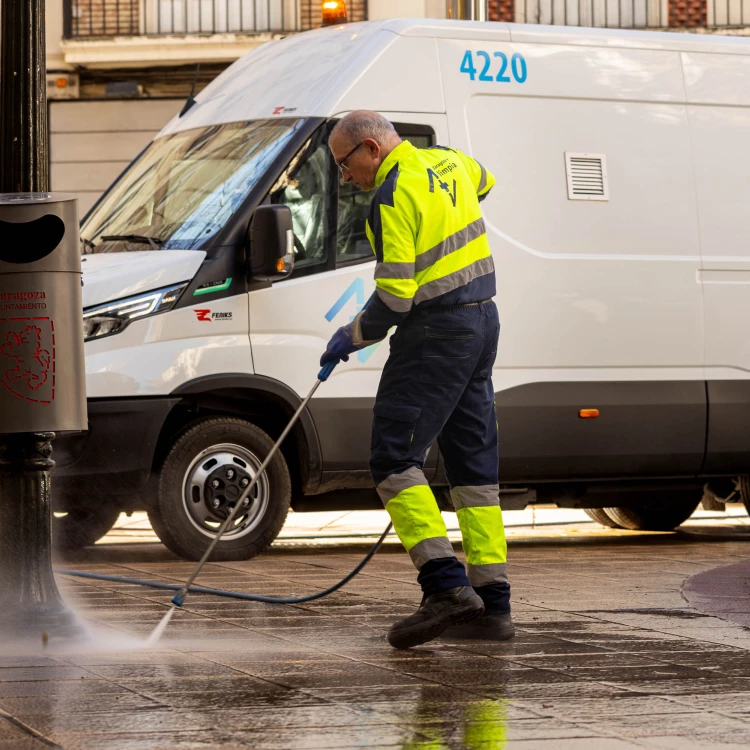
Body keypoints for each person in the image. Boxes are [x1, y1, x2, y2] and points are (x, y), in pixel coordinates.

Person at [322, 111, 513, 649]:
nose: (345, 177)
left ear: (369, 148)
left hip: (434, 334)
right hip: (482, 321)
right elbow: (486, 181)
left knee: (392, 458)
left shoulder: (390, 197)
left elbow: (396, 296)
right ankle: (493, 606)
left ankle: (445, 587)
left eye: (344, 164)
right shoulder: (450, 161)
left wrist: (352, 335)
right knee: (473, 468)